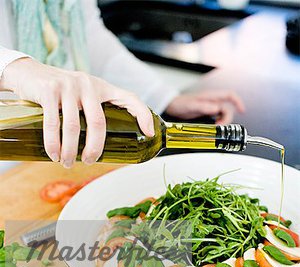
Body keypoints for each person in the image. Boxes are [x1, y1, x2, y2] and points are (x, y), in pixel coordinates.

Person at [0, 0, 245, 167]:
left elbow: (87, 33)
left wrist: (165, 97)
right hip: (12, 144)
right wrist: (15, 68)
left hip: (64, 146)